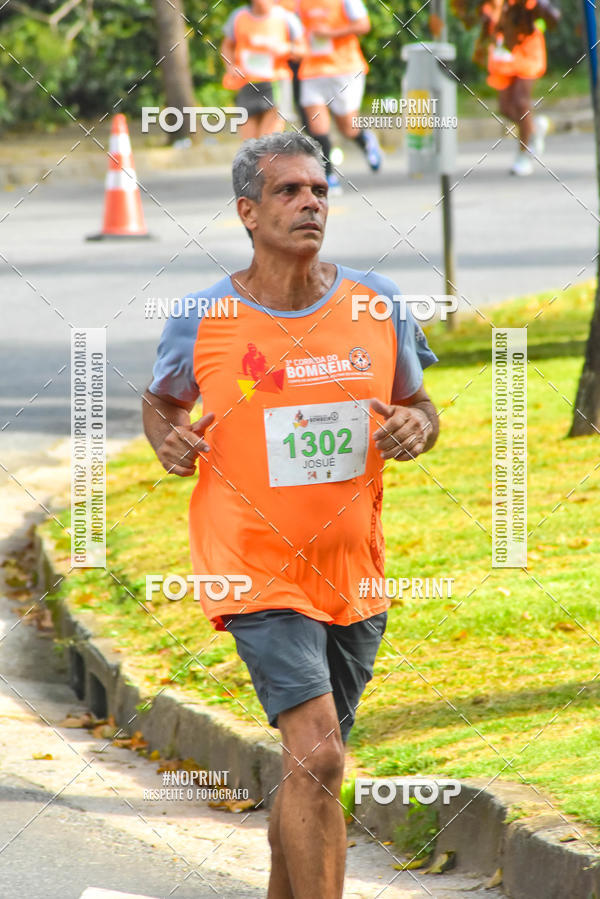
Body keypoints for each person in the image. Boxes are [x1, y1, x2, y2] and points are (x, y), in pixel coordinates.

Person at [142, 132, 439, 898]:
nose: (311, 202)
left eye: (320, 190)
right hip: (253, 565)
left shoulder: (377, 304)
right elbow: (162, 402)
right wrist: (168, 441)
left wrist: (418, 429)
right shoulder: (202, 317)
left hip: (351, 570)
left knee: (310, 763)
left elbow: (418, 406)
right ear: (248, 211)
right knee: (322, 754)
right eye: (289, 191)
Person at [296, 0, 382, 193]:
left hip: (344, 69)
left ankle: (365, 140)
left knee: (348, 128)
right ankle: (328, 177)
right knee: (317, 127)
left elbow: (363, 25)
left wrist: (330, 33)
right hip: (312, 70)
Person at [482, 0, 561, 175]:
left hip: (527, 52)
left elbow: (550, 17)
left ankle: (524, 155)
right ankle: (534, 127)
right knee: (505, 107)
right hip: (504, 53)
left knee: (520, 101)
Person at [221, 0, 305, 139]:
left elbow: (303, 51)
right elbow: (227, 46)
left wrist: (287, 48)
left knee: (267, 142)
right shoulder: (238, 16)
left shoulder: (286, 18)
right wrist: (230, 66)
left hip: (276, 83)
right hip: (246, 83)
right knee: (249, 146)